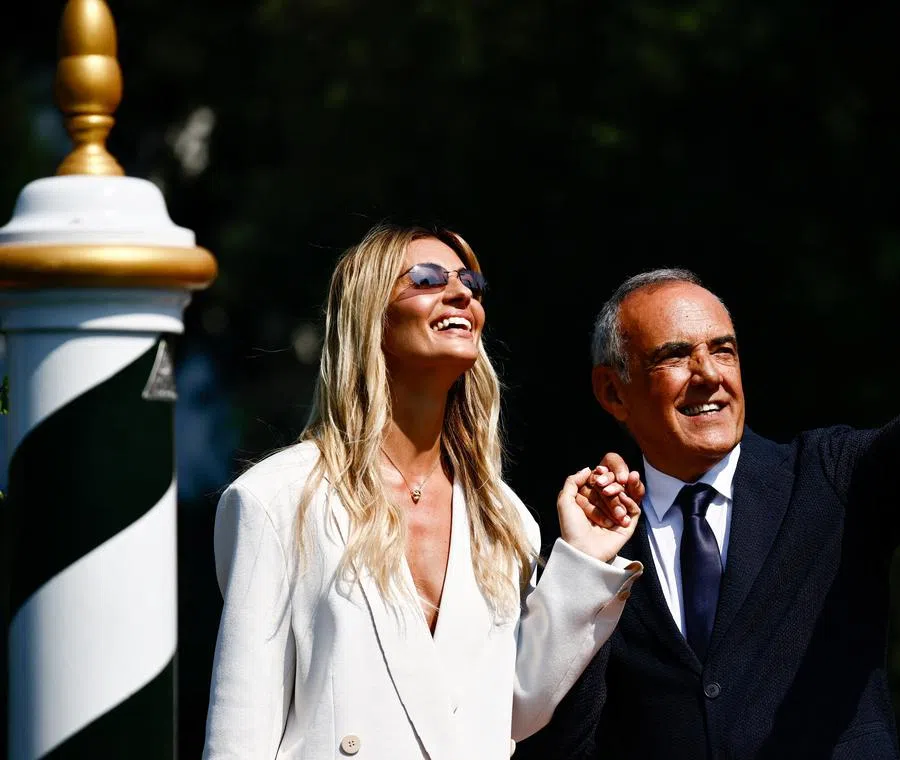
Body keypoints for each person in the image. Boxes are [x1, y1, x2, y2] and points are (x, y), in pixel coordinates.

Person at [515, 235, 900, 759]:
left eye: (724, 350)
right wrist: (587, 567)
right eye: (675, 355)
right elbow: (558, 741)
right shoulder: (592, 541)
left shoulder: (825, 480)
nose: (708, 374)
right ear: (613, 390)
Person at [202, 223, 644, 760]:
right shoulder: (277, 501)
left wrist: (584, 559)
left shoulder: (502, 517)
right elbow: (239, 734)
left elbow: (512, 711)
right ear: (370, 315)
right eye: (428, 279)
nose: (461, 293)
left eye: (471, 283)